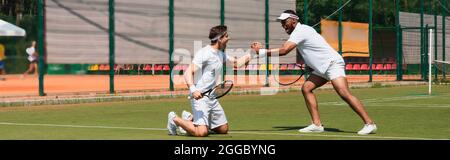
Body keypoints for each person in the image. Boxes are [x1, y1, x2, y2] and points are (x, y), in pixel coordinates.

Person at [251, 10, 377, 135]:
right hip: (321, 68)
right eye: (282, 22)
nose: (283, 25)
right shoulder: (301, 31)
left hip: (332, 64)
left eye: (285, 22)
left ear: (294, 20)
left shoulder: (301, 31)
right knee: (306, 88)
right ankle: (317, 125)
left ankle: (369, 123)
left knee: (344, 93)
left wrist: (261, 51)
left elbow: (285, 50)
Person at [167, 25, 256, 137]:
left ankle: (189, 119)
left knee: (223, 129)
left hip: (211, 96)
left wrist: (252, 53)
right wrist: (193, 89)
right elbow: (187, 72)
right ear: (219, 39)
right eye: (226, 36)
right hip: (199, 96)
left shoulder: (220, 54)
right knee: (202, 132)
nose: (228, 38)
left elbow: (236, 63)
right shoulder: (204, 53)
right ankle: (174, 119)